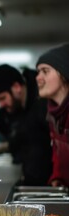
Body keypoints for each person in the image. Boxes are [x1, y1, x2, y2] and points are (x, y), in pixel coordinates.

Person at [36, 43, 69, 187]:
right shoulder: (53, 113)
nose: (38, 78)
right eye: (38, 72)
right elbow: (57, 152)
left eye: (45, 71)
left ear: (63, 74)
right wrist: (57, 178)